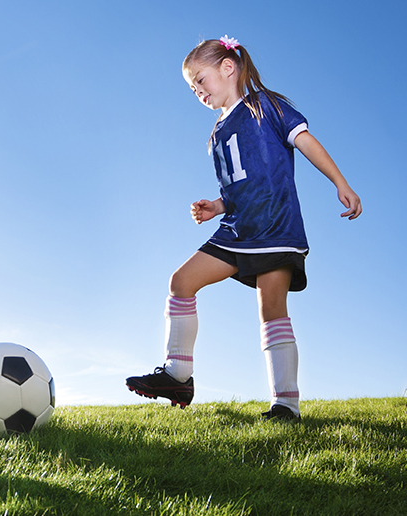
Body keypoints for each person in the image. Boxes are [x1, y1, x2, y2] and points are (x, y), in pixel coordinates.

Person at [126, 36, 362, 421]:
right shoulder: (216, 134)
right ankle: (178, 376)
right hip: (237, 229)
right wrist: (216, 206)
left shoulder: (264, 107)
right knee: (180, 282)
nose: (198, 91)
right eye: (192, 88)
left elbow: (306, 142)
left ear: (228, 67)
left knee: (271, 310)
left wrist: (341, 182)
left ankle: (286, 405)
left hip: (274, 226)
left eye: (200, 80)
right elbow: (237, 184)